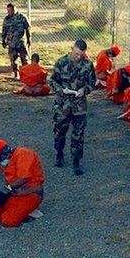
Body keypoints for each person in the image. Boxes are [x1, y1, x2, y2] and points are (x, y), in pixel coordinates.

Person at [49, 39, 96, 175]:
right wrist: (60, 90)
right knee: (59, 133)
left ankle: (76, 161)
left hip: (79, 107)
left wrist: (84, 90)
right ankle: (59, 154)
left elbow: (92, 83)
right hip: (62, 105)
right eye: (76, 54)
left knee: (78, 135)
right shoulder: (61, 62)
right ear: (72, 49)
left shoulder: (87, 65)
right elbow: (52, 81)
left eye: (80, 55)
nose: (77, 57)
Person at [0, 140, 45, 227]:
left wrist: (6, 190)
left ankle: (25, 212)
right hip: (15, 192)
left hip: (30, 192)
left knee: (7, 221)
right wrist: (5, 194)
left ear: (4, 152)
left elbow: (24, 178)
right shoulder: (6, 160)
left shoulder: (24, 154)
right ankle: (23, 211)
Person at [1, 3, 31, 78]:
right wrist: (3, 41)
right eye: (8, 11)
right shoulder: (7, 19)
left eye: (10, 10)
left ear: (15, 9)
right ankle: (15, 73)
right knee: (13, 59)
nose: (9, 12)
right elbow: (4, 30)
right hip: (11, 42)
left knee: (24, 59)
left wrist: (29, 39)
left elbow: (27, 28)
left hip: (21, 42)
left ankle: (26, 75)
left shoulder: (22, 17)